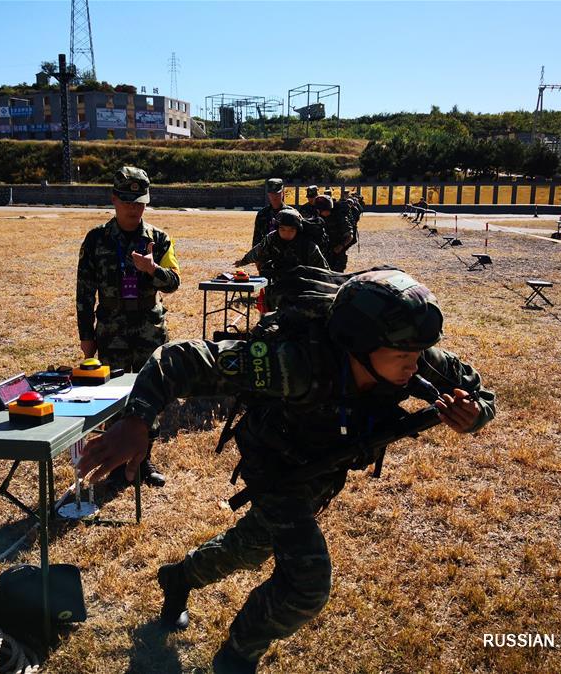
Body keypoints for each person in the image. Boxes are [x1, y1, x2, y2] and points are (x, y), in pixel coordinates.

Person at [77, 267, 497, 673]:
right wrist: (137, 420)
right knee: (306, 582)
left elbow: (480, 394)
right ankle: (237, 656)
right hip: (275, 467)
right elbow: (180, 359)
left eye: (419, 354)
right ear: (357, 345)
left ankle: (179, 578)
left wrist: (473, 414)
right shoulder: (291, 365)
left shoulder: (414, 356)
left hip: (320, 471)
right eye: (404, 356)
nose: (416, 364)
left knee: (250, 546)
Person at [75, 166, 181, 487]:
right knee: (115, 398)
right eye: (128, 201)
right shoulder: (96, 240)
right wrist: (86, 336)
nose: (135, 208)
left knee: (149, 395)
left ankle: (144, 460)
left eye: (140, 202)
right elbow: (83, 292)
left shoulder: (159, 239)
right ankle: (118, 464)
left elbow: (174, 282)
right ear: (114, 200)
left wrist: (153, 271)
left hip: (149, 330)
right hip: (111, 332)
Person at [234, 208, 328, 280]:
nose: (286, 233)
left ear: (297, 230)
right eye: (282, 229)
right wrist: (243, 261)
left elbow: (324, 271)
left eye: (291, 230)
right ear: (277, 228)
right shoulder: (272, 238)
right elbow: (258, 251)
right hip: (279, 283)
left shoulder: (308, 246)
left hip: (303, 285)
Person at [315, 195, 355, 272]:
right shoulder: (318, 217)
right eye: (323, 210)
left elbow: (350, 236)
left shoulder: (339, 218)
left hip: (337, 253)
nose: (327, 212)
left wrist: (340, 246)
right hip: (324, 252)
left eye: (327, 210)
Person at [252, 178, 286, 246]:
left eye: (277, 193)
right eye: (272, 193)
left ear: (283, 193)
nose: (274, 196)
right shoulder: (262, 214)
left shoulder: (290, 213)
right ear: (268, 194)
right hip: (266, 254)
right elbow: (256, 239)